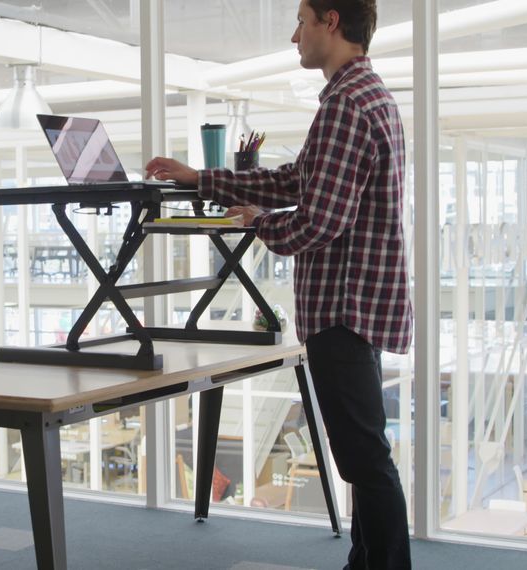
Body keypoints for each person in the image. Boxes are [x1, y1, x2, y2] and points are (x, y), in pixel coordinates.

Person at [145, 0, 411, 568]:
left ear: (331, 21)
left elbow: (320, 220)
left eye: (301, 20)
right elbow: (298, 178)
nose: (295, 36)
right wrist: (206, 179)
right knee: (365, 457)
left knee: (365, 460)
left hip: (344, 305)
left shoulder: (347, 105)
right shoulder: (366, 97)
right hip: (355, 304)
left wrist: (257, 223)